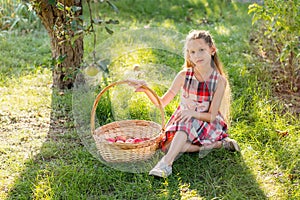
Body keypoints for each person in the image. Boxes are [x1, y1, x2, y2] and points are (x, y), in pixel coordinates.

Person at [133, 30, 240, 178]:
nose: (197, 55)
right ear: (189, 55)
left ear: (212, 50)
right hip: (183, 119)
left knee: (184, 125)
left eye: (201, 50)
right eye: (192, 52)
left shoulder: (219, 81)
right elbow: (162, 103)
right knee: (167, 146)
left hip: (205, 122)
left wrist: (192, 113)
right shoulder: (184, 76)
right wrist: (146, 89)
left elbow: (211, 116)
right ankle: (217, 144)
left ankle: (166, 164)